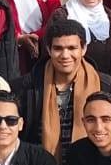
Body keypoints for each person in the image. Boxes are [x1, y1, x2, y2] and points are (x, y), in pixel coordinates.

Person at [26, 20, 101, 157]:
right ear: (49, 49)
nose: (65, 55)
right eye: (58, 48)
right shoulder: (28, 87)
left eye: (72, 48)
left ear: (83, 49)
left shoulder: (104, 85)